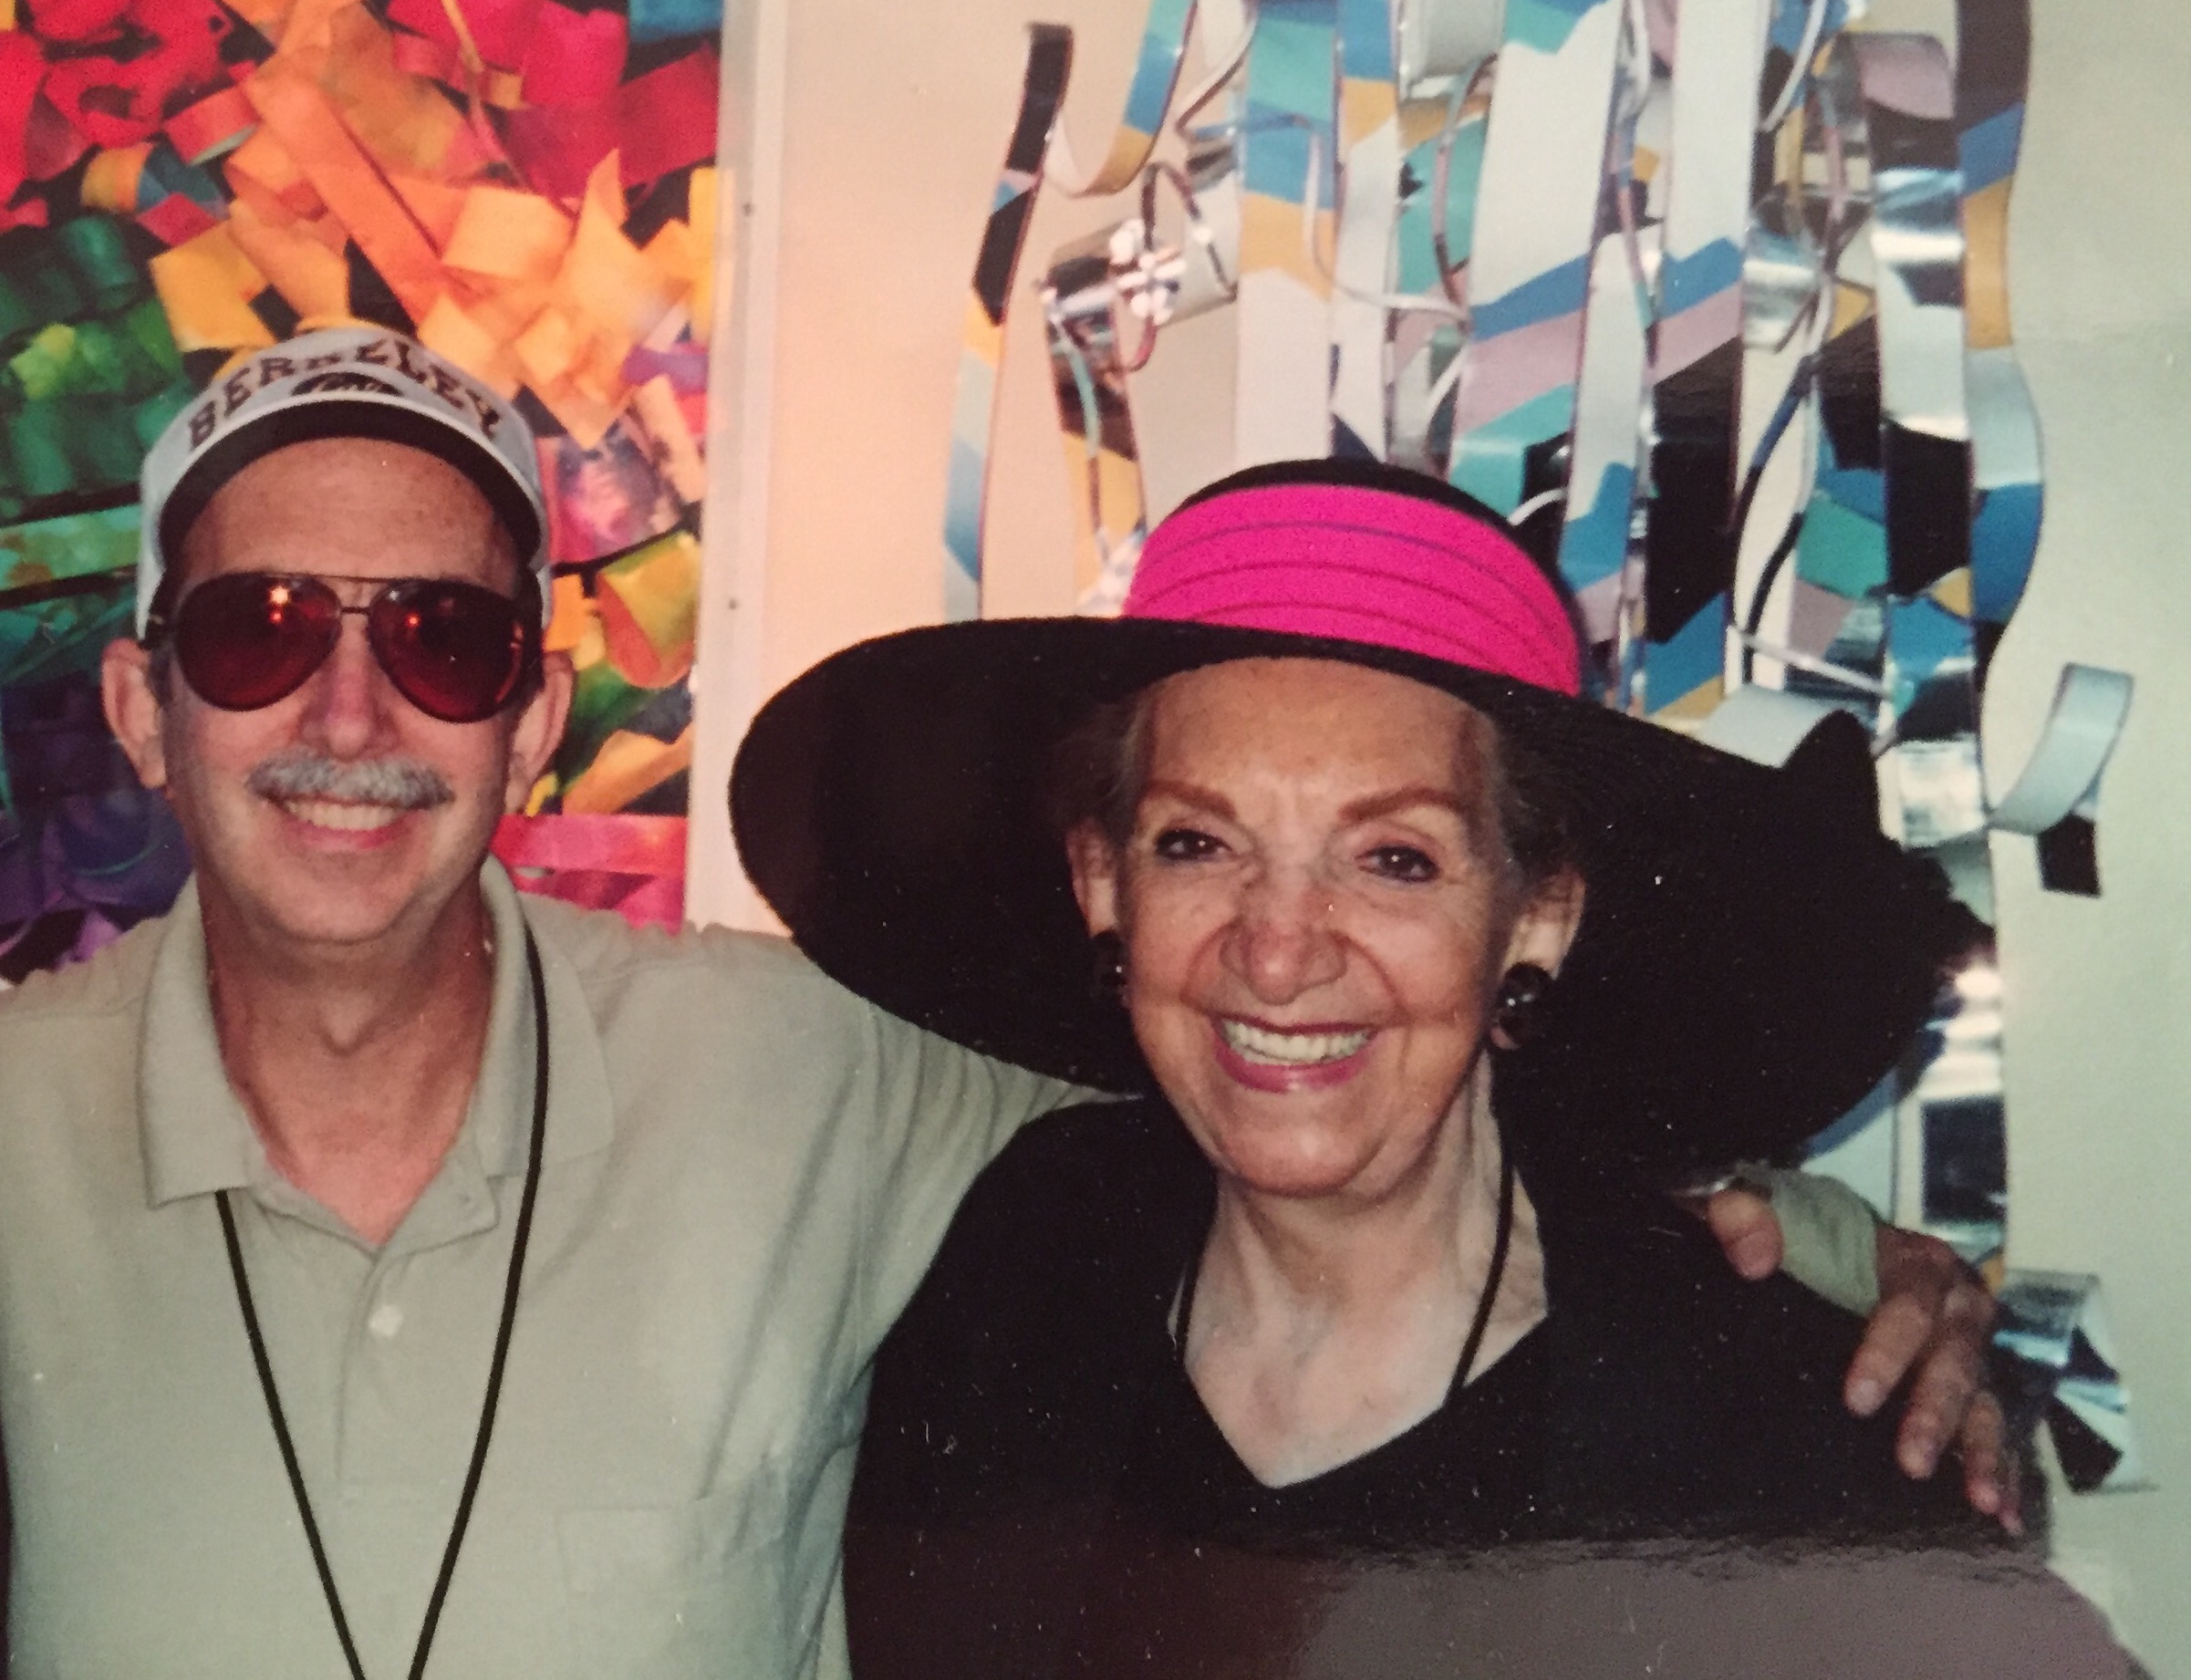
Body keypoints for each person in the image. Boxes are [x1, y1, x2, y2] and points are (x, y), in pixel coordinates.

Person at [0, 333, 2006, 1680]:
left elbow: (1299, 1094)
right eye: (259, 629)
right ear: (135, 703)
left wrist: (1846, 1259)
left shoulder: (797, 1070)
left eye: (441, 637)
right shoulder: (12, 1140)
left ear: (535, 714)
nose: (348, 715)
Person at [729, 457, 2127, 1679]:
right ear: (1100, 881)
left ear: (1534, 916)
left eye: (1391, 858)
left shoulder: (1780, 1446)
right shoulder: (1013, 1261)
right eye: (1194, 844)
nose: (1275, 956)